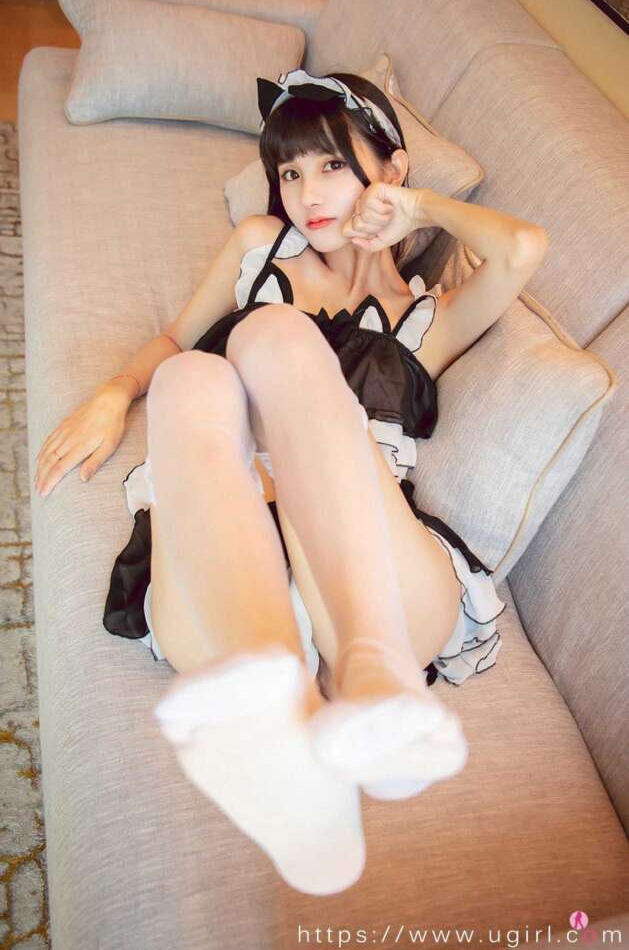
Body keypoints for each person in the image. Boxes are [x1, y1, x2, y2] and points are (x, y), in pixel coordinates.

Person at [32, 67, 548, 896]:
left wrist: (416, 209)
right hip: (232, 575)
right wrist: (114, 392)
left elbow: (522, 248)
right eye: (290, 171)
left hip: (377, 575)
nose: (307, 195)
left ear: (390, 167)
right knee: (191, 379)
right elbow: (177, 339)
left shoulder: (427, 320)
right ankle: (293, 739)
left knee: (273, 337)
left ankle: (371, 674)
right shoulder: (259, 248)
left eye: (333, 165)